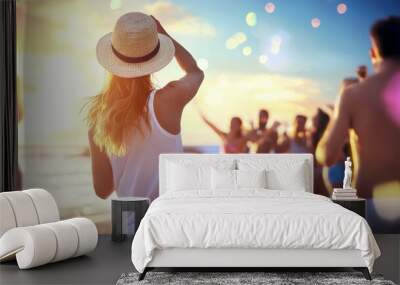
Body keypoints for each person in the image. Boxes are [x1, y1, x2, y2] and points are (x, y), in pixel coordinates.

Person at [86, 13, 204, 201]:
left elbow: (103, 190)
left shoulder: (98, 119)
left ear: (113, 60)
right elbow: (195, 72)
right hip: (167, 216)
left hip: (129, 220)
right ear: (155, 58)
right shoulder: (167, 100)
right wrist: (165, 35)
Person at [316, 16, 400, 201]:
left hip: (371, 205)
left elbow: (328, 155)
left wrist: (338, 111)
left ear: (373, 53)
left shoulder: (353, 95)